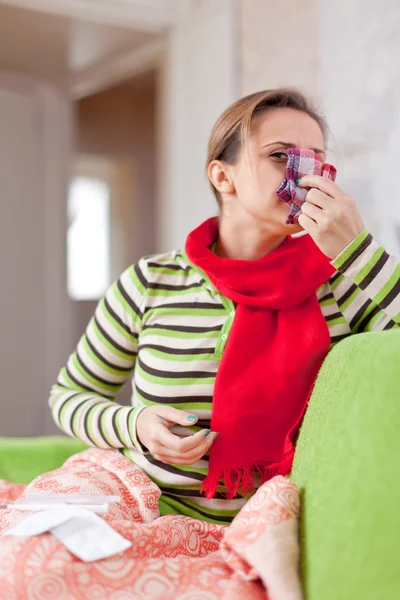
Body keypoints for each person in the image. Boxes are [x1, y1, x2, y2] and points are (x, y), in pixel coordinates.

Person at [49, 88, 400, 525]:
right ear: (222, 176)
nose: (307, 175)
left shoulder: (340, 284)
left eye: (317, 158)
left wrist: (356, 250)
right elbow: (68, 397)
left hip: (262, 523)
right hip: (141, 503)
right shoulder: (150, 281)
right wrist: (135, 425)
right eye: (280, 155)